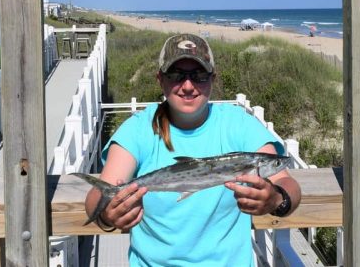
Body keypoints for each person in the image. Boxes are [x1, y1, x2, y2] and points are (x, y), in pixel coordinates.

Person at [85, 33, 301, 266]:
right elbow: (97, 196)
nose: (188, 86)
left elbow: (288, 185)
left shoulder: (239, 124)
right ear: (161, 79)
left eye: (198, 76)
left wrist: (277, 198)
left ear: (212, 79)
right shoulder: (138, 129)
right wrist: (107, 215)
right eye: (177, 76)